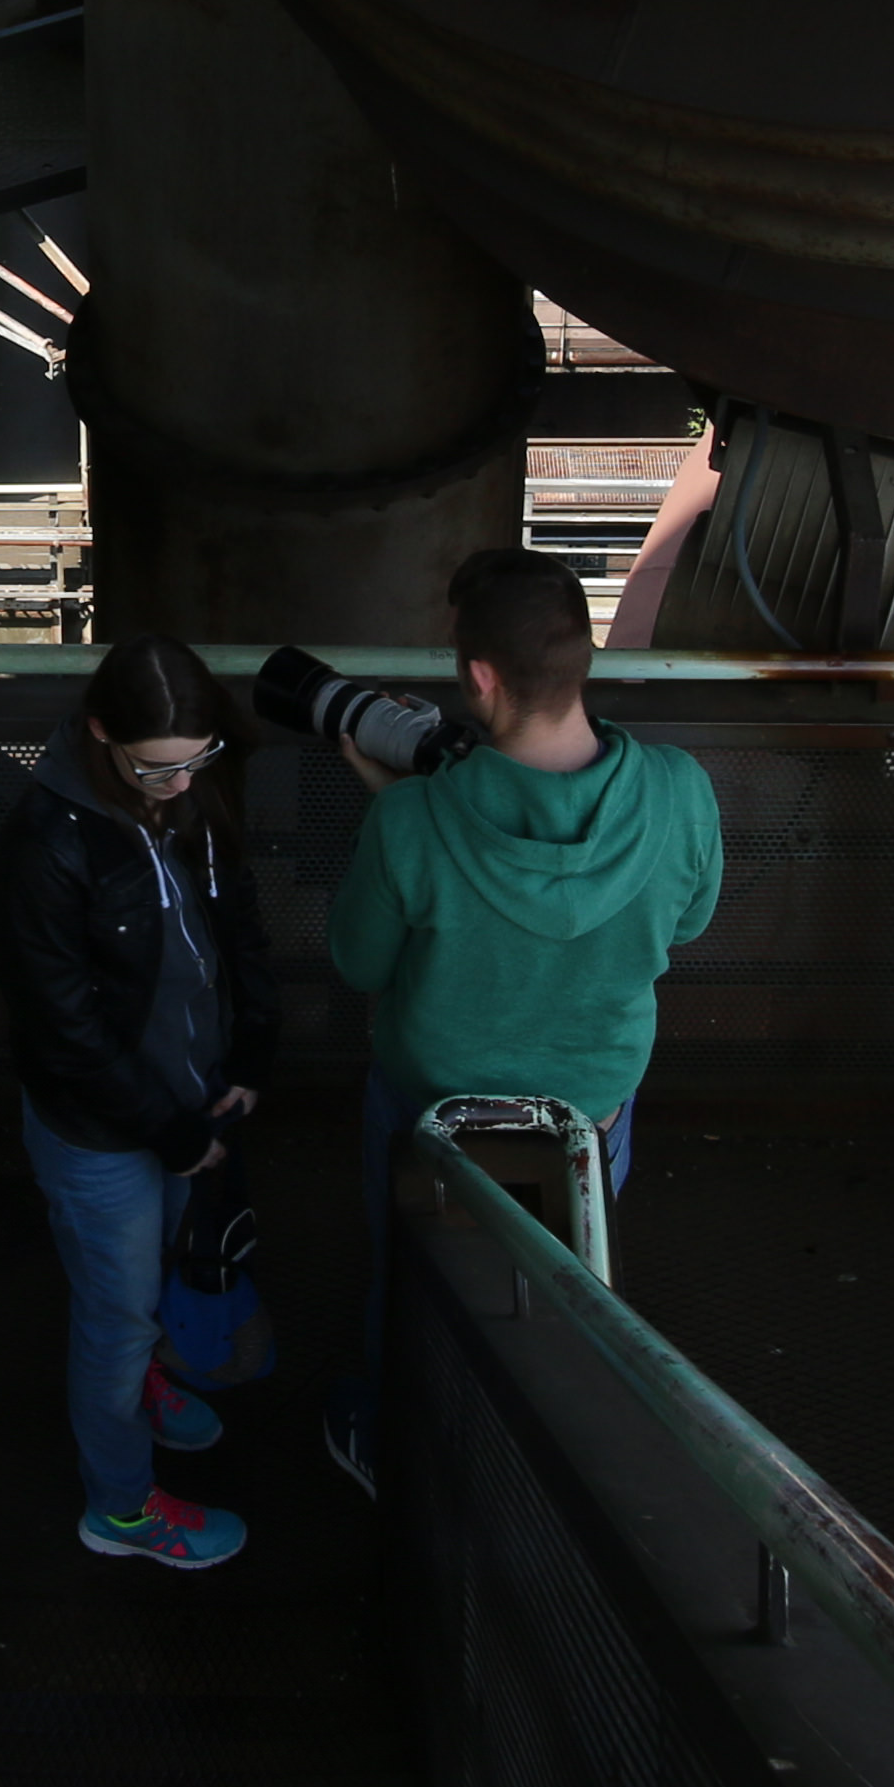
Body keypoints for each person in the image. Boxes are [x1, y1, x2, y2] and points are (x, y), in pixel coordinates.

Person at [318, 547, 725, 1493]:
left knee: (412, 1274)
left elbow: (358, 965)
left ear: (482, 677)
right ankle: (544, 1464)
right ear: (583, 657)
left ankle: (385, 1436)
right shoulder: (679, 790)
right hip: (589, 1110)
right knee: (570, 1283)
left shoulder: (412, 822)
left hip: (433, 1111)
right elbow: (690, 921)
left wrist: (402, 815)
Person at [0, 635, 280, 1569]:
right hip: (104, 1129)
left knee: (144, 1282)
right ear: (100, 733)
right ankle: (119, 1510)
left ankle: (142, 1388)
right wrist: (174, 1132)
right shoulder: (47, 841)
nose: (182, 783)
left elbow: (236, 920)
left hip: (184, 1103)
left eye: (198, 760)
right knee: (115, 1320)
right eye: (157, 768)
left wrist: (250, 1050)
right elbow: (62, 1032)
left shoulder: (193, 791)